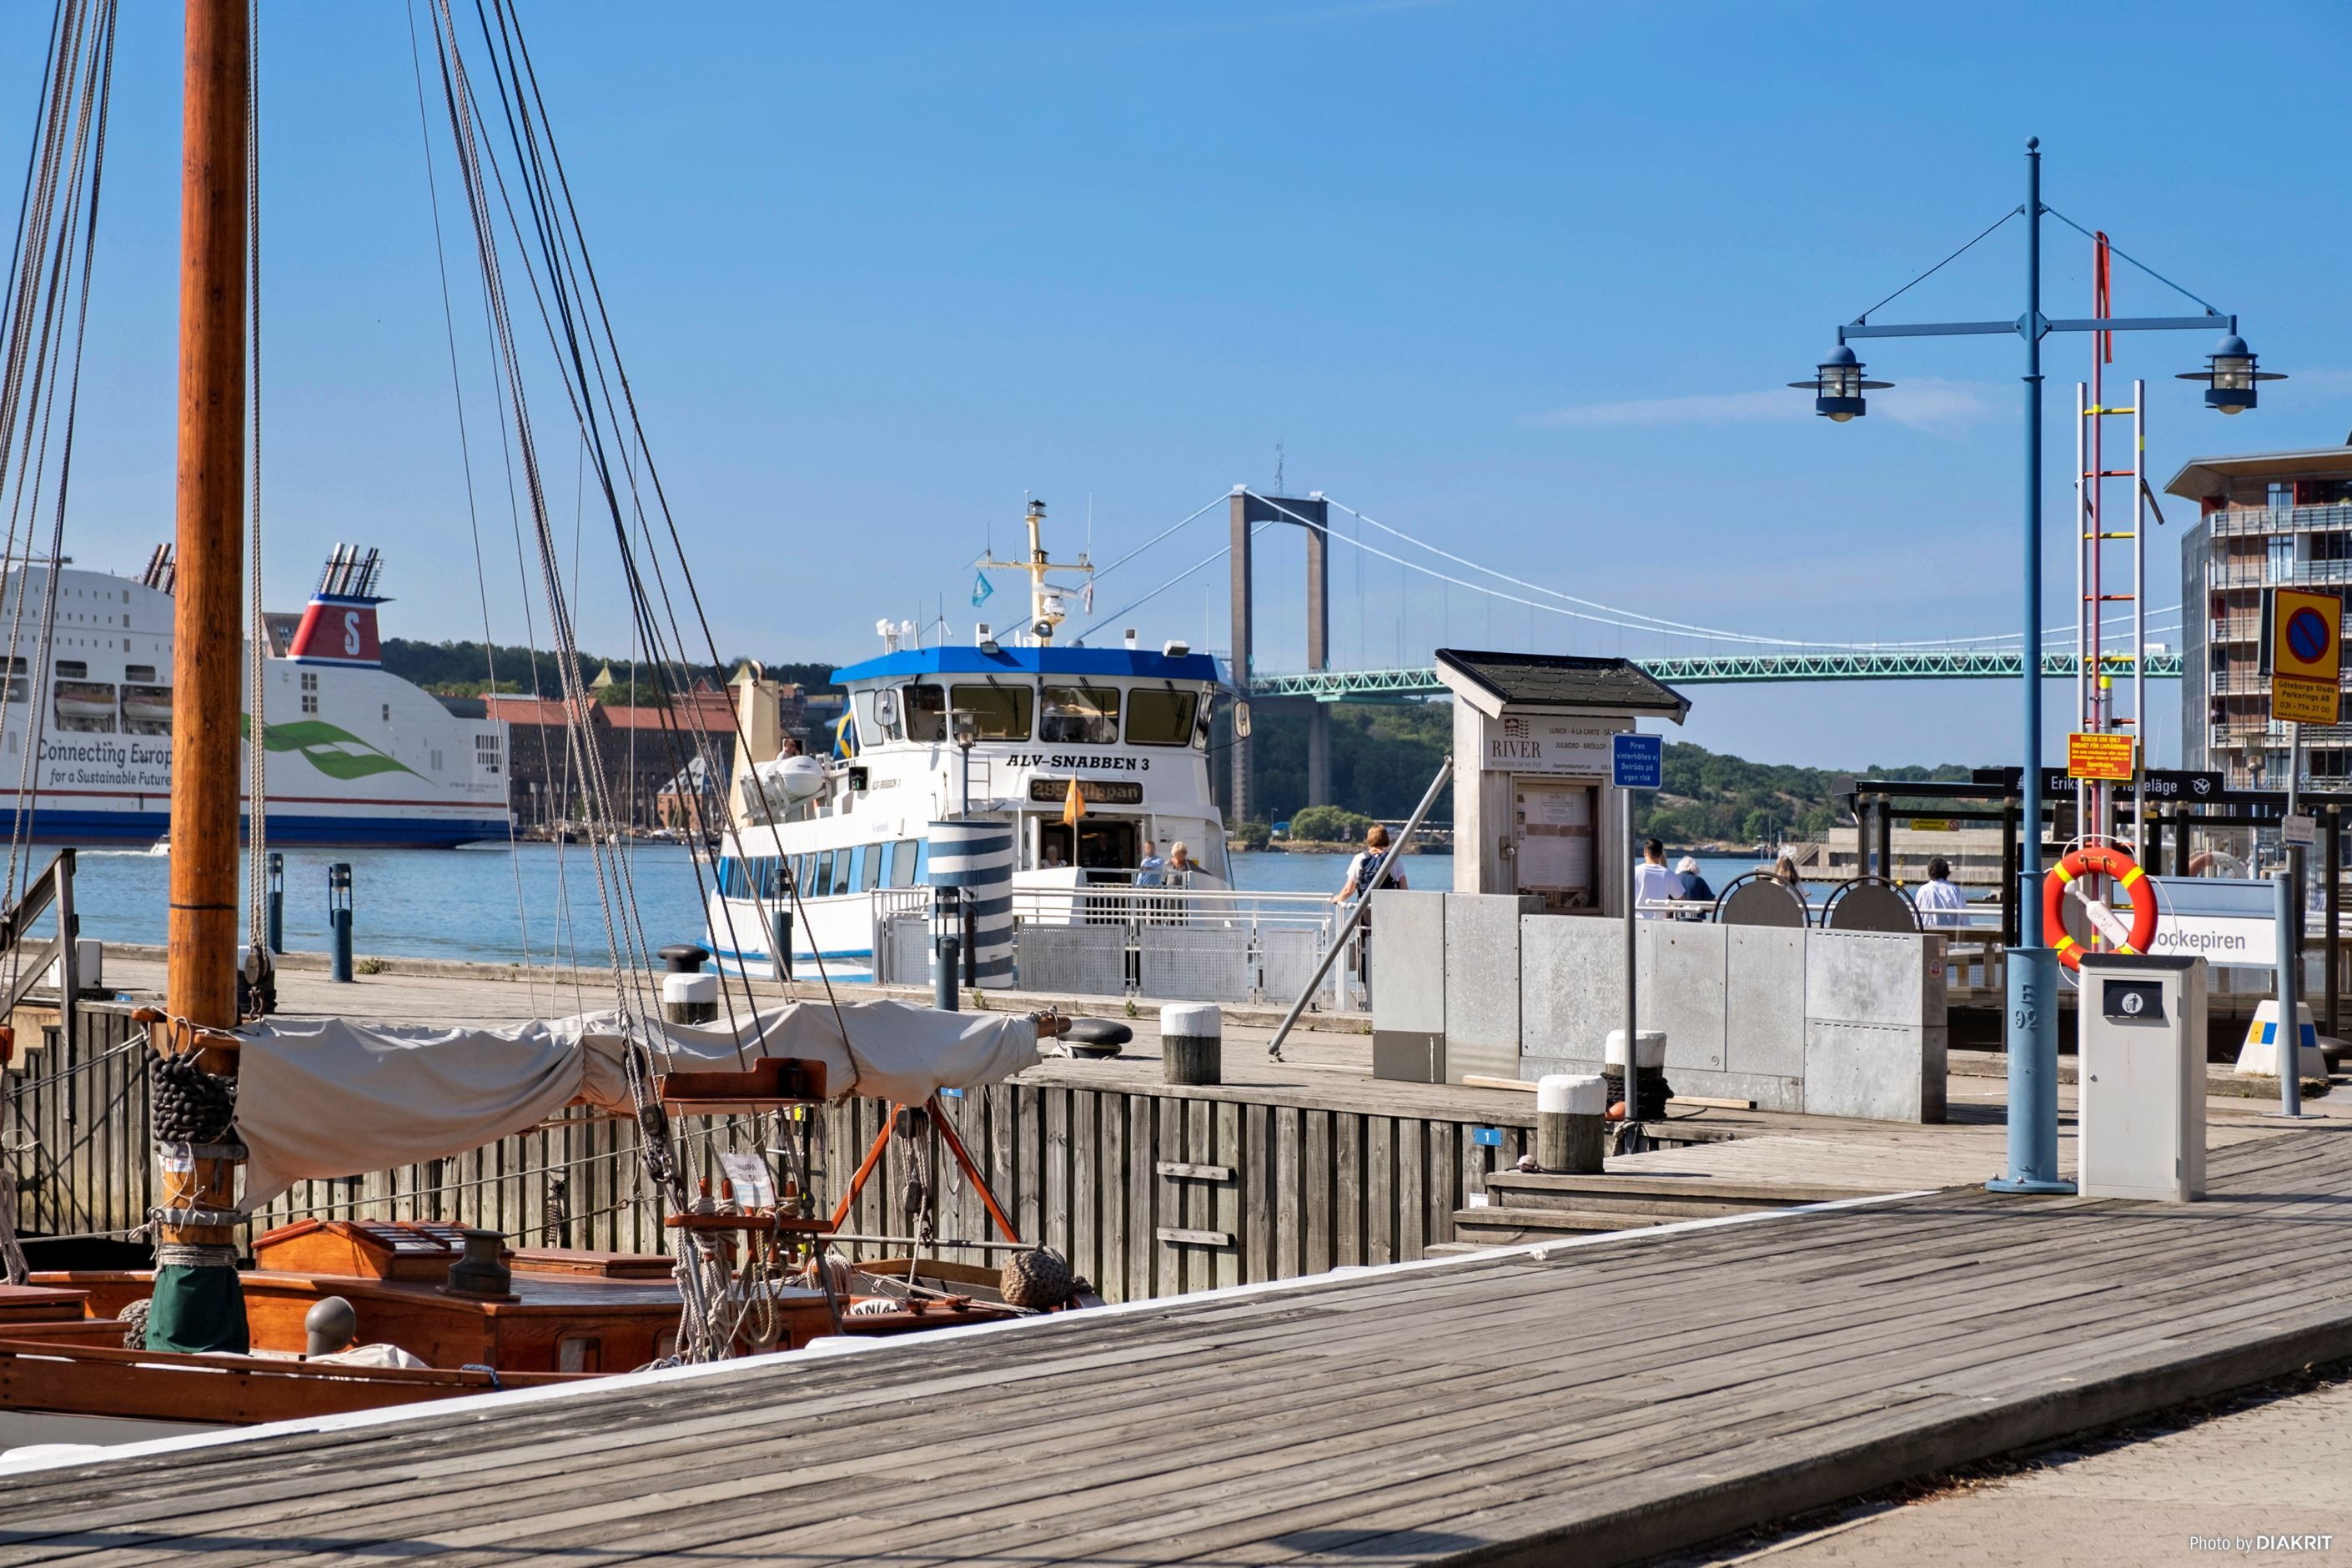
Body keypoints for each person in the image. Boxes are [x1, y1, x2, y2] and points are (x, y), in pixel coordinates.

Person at [1334, 823, 1406, 906]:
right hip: (1388, 908)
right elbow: (1404, 888)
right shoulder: (1393, 859)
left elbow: (1348, 890)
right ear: (1386, 838)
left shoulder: (1359, 858)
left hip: (1365, 908)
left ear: (1369, 839)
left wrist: (1337, 899)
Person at [1914, 857, 1969, 928]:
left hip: (1926, 930)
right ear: (1947, 872)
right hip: (1950, 931)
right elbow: (1965, 917)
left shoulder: (1922, 890)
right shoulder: (1954, 890)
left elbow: (1916, 915)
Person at [1632, 837, 1677, 920]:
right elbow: (1681, 898)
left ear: (1645, 852)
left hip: (1636, 920)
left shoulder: (1635, 871)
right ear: (1661, 854)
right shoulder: (1668, 873)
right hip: (1659, 921)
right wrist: (1670, 906)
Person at [1673, 855, 1714, 920]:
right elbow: (1712, 905)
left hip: (1676, 920)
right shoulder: (1699, 881)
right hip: (1697, 921)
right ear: (1695, 868)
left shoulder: (1674, 880)